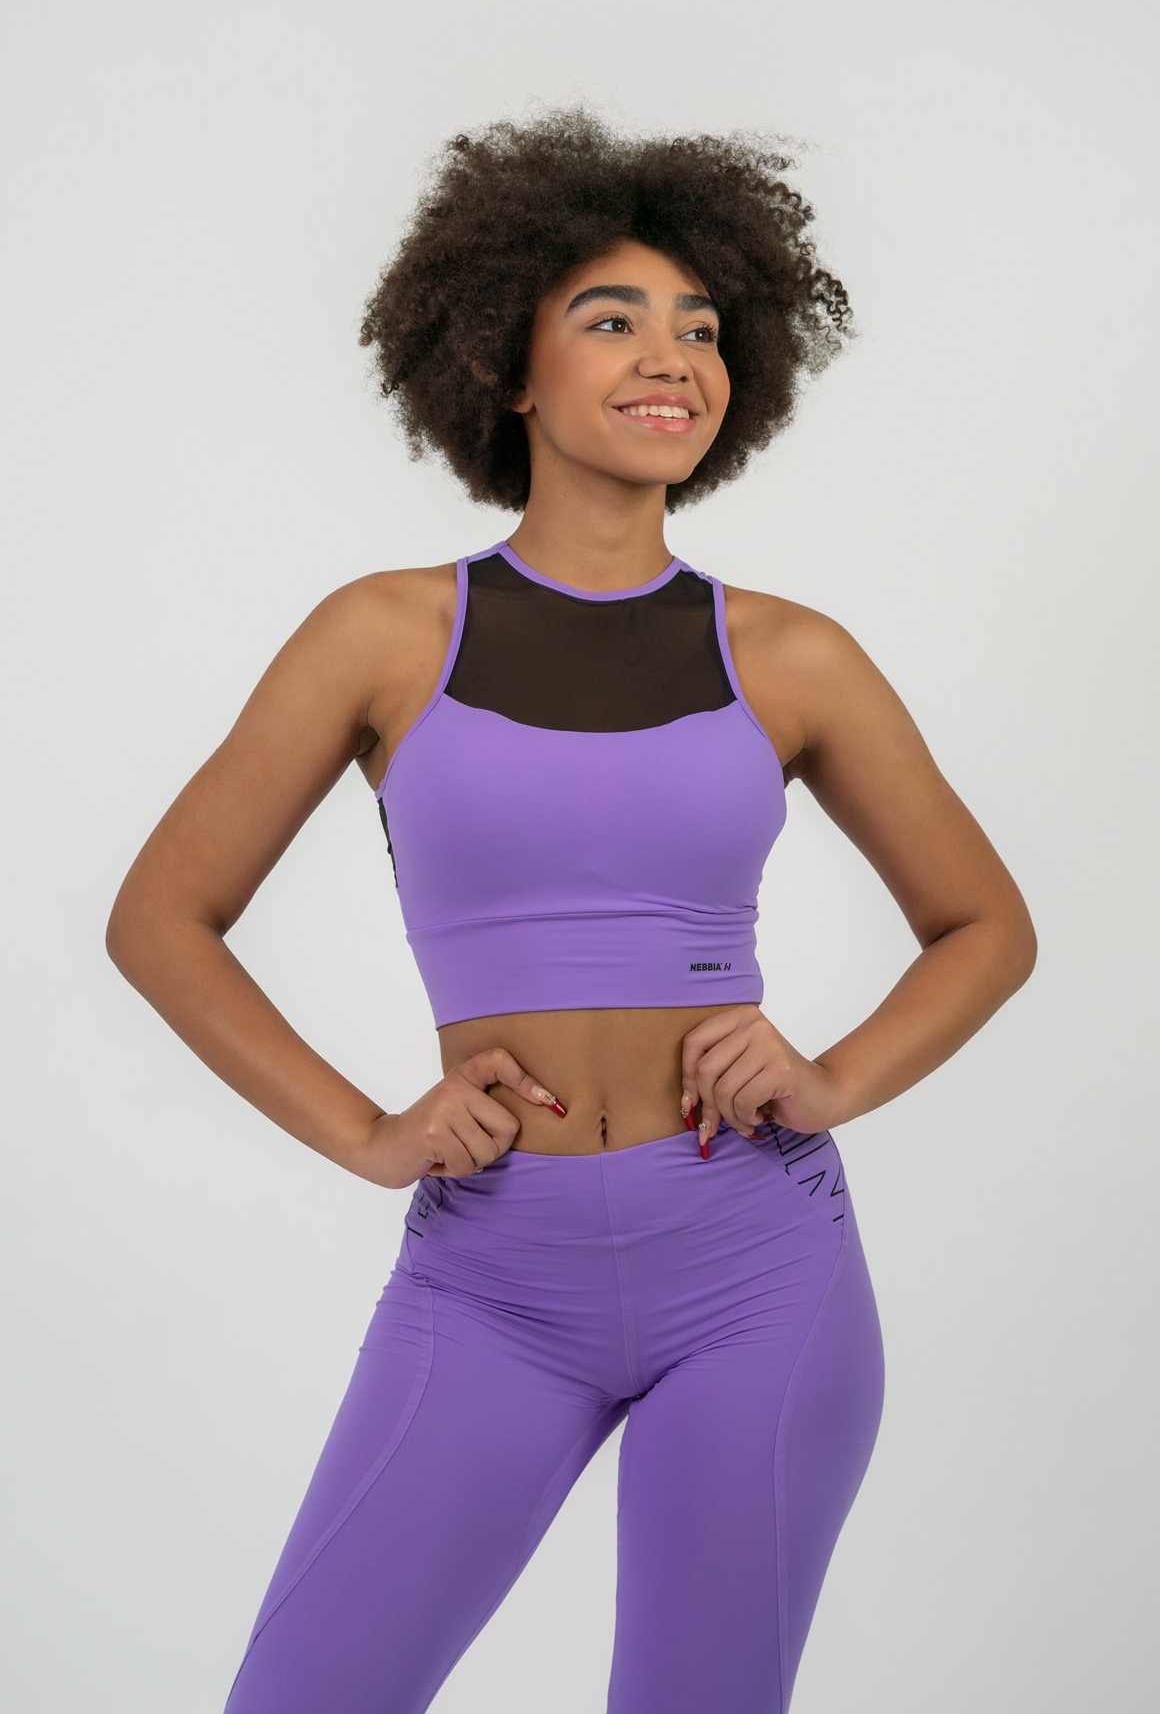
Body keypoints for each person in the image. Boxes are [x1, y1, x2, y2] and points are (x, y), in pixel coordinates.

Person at [106, 105, 1037, 1713]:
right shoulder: (385, 635)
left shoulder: (792, 656)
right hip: (491, 1280)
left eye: (701, 327)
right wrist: (369, 1133)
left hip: (758, 1276)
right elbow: (161, 919)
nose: (670, 356)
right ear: (507, 363)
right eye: (611, 320)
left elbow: (985, 925)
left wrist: (830, 1080)